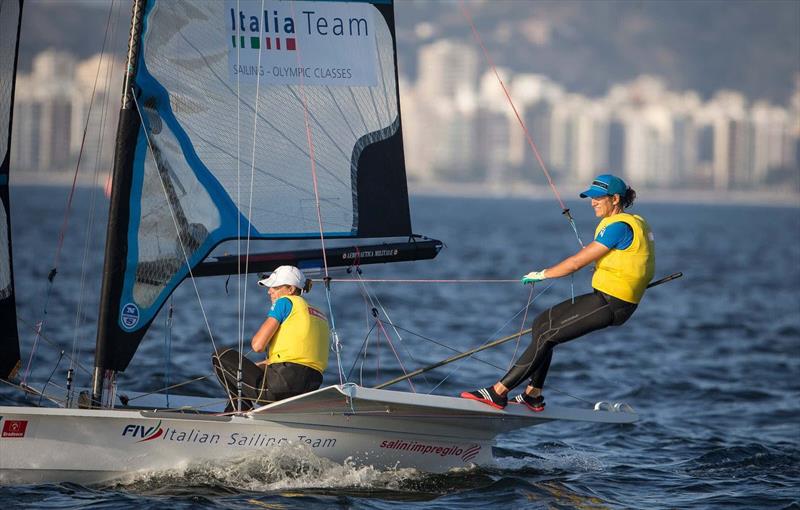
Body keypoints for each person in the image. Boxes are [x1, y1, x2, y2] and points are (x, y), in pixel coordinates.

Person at [461, 174, 655, 411]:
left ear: (615, 199)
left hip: (613, 304)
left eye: (597, 198)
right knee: (542, 323)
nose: (592, 202)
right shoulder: (629, 222)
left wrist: (542, 274)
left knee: (547, 335)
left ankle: (498, 392)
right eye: (590, 198)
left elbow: (575, 263)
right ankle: (533, 395)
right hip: (605, 298)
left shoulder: (620, 227)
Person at [212, 265, 329, 411]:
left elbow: (257, 346)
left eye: (274, 287)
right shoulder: (319, 314)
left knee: (220, 356)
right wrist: (253, 368)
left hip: (280, 390)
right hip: (308, 392)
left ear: (291, 289)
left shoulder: (285, 302)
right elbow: (297, 358)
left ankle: (238, 411)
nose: (269, 291)